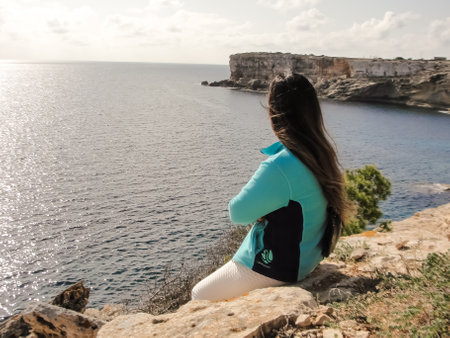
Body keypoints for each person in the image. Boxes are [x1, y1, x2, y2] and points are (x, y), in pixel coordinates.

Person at [191, 73, 347, 301]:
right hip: (307, 258)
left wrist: (266, 208)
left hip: (277, 267)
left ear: (275, 114)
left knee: (199, 294)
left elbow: (238, 212)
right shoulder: (321, 153)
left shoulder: (281, 165)